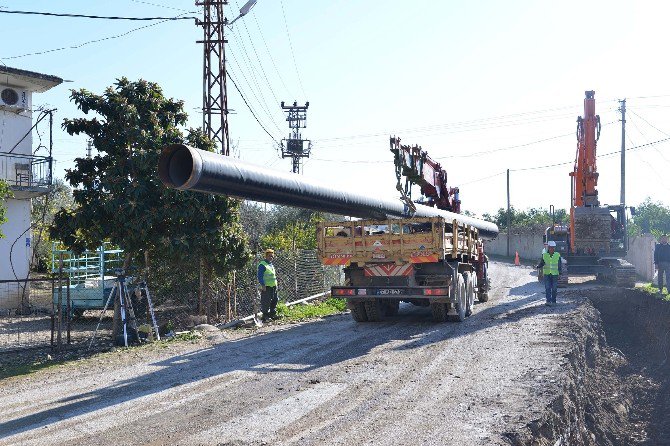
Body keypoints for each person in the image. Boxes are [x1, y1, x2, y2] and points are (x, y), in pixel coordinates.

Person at [536, 241, 562, 306]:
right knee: (547, 288)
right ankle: (548, 301)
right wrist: (538, 266)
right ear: (548, 248)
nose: (552, 249)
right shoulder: (545, 255)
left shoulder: (557, 255)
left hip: (555, 274)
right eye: (551, 248)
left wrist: (560, 273)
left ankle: (553, 301)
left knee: (554, 288)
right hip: (547, 274)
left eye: (553, 248)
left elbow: (559, 265)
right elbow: (542, 263)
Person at [257, 248, 278, 322]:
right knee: (266, 301)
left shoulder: (271, 264)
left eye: (272, 256)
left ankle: (273, 314)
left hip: (273, 286)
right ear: (266, 256)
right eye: (269, 256)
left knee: (274, 300)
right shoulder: (262, 265)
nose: (271, 257)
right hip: (266, 287)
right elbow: (260, 276)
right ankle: (265, 316)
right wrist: (263, 285)